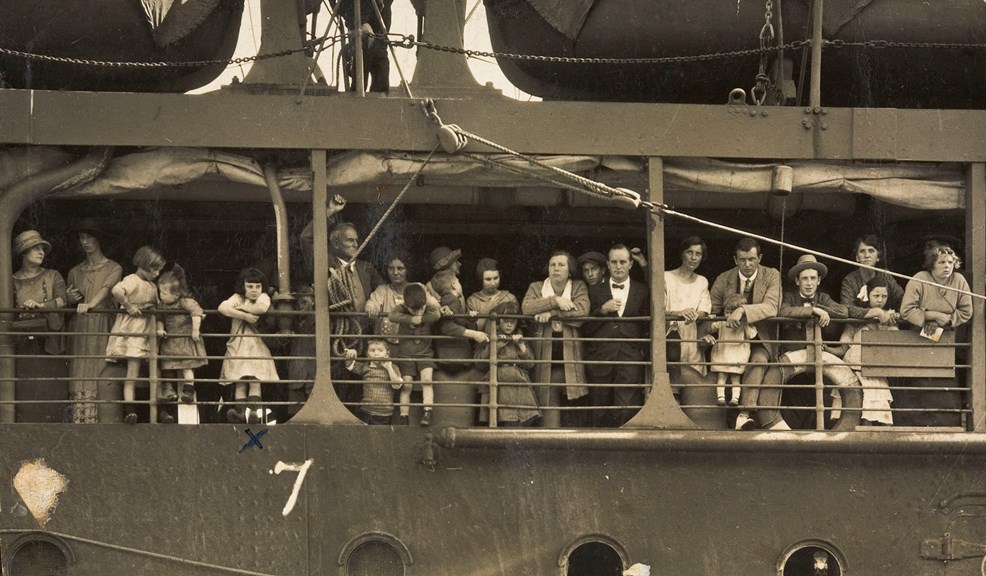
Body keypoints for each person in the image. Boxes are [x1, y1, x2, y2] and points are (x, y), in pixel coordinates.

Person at [764, 254, 880, 430]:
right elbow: (783, 310)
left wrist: (822, 309)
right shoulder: (789, 297)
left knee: (821, 401)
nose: (809, 283)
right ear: (797, 281)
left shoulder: (824, 297)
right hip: (791, 365)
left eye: (812, 278)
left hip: (821, 364)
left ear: (818, 280)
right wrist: (813, 310)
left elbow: (842, 311)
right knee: (794, 405)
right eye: (804, 279)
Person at [708, 237, 781, 430]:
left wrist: (742, 311)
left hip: (758, 339)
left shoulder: (772, 275)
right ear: (735, 260)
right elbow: (712, 311)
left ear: (760, 258)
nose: (747, 264)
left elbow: (772, 307)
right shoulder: (723, 279)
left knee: (759, 361)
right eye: (742, 260)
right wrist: (709, 332)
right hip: (728, 342)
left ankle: (744, 414)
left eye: (752, 259)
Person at [899, 241, 973, 426]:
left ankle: (948, 422)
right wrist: (931, 315)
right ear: (932, 264)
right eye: (941, 262)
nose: (947, 266)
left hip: (947, 336)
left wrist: (947, 320)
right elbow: (906, 310)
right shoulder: (919, 278)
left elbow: (966, 310)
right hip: (920, 335)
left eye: (950, 262)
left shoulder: (959, 281)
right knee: (921, 380)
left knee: (946, 380)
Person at [584, 244, 650, 427]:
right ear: (608, 264)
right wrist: (602, 311)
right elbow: (584, 327)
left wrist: (640, 351)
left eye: (622, 262)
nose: (618, 266)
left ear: (630, 264)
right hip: (600, 357)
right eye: (614, 262)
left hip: (630, 356)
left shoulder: (642, 290)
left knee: (626, 408)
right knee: (599, 408)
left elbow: (646, 325)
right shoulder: (594, 290)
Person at [522, 250, 590, 428]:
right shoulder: (536, 287)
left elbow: (582, 312)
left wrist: (551, 313)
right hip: (544, 358)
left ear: (570, 270)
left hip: (570, 358)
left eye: (561, 265)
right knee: (547, 400)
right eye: (552, 265)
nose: (556, 269)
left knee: (574, 403)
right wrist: (555, 301)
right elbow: (527, 308)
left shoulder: (578, 287)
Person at [64, 220, 122, 423]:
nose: (85, 242)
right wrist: (70, 299)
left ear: (99, 239)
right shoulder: (74, 271)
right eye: (82, 238)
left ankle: (100, 420)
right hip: (80, 326)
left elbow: (106, 289)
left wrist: (90, 304)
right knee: (79, 372)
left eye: (89, 237)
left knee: (100, 371)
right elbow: (70, 300)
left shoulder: (114, 267)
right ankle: (78, 421)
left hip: (101, 324)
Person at [11, 230, 69, 423]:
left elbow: (63, 301)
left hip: (51, 341)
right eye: (35, 248)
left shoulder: (53, 276)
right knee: (27, 392)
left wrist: (41, 306)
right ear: (23, 252)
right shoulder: (12, 280)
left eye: (42, 248)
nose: (41, 252)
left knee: (52, 391)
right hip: (25, 344)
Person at [104, 245, 165, 425]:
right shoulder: (133, 280)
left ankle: (159, 410)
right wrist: (129, 306)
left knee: (155, 373)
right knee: (133, 371)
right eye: (155, 269)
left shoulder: (152, 285)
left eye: (159, 269)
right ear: (144, 265)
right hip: (134, 332)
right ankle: (129, 410)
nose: (157, 273)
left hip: (148, 331)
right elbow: (116, 291)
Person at [218, 268, 280, 424]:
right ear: (243, 286)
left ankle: (254, 413)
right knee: (239, 381)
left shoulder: (263, 297)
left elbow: (261, 308)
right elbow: (222, 308)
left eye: (258, 287)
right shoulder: (237, 297)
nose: (254, 290)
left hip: (255, 346)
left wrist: (237, 309)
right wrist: (244, 315)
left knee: (254, 379)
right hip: (237, 346)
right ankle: (240, 414)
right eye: (250, 286)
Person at [840, 275, 898, 426]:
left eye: (884, 296)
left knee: (876, 407)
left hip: (875, 371)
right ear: (868, 295)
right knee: (857, 409)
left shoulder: (889, 318)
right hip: (854, 369)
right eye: (876, 295)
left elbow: (895, 345)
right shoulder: (857, 318)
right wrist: (828, 350)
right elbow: (844, 343)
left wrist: (891, 324)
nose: (880, 300)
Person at [473, 301, 541, 427]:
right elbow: (479, 363)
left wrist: (521, 345)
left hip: (518, 381)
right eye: (505, 321)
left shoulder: (519, 338)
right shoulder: (490, 336)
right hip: (498, 381)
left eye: (513, 322)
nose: (509, 325)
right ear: (499, 321)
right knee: (499, 418)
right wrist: (495, 345)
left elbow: (530, 363)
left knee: (521, 420)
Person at [155, 264, 207, 414]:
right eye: (160, 292)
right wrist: (160, 328)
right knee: (168, 366)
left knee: (187, 367)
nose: (161, 295)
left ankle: (188, 391)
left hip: (185, 339)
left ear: (177, 295)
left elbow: (196, 312)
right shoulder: (163, 305)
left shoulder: (185, 302)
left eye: (164, 293)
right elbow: (160, 318)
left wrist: (195, 330)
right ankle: (169, 390)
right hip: (170, 340)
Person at [388, 283, 440, 426]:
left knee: (427, 380)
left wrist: (422, 318)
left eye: (421, 308)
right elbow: (391, 315)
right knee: (407, 386)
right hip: (406, 355)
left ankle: (427, 412)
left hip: (425, 354)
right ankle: (404, 417)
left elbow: (436, 314)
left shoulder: (427, 308)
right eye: (414, 310)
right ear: (406, 304)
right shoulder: (402, 309)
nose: (418, 312)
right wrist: (410, 319)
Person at [664, 236, 712, 380]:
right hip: (670, 336)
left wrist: (695, 313)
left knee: (692, 384)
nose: (693, 258)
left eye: (698, 254)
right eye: (689, 252)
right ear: (681, 254)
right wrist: (679, 313)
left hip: (692, 340)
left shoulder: (702, 281)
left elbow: (705, 309)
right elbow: (658, 309)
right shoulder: (666, 277)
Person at [704, 293, 757, 407]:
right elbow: (711, 327)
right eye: (726, 312)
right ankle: (721, 398)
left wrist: (750, 323)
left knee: (735, 378)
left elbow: (751, 335)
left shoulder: (743, 324)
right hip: (725, 353)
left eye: (731, 312)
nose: (728, 315)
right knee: (722, 377)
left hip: (735, 355)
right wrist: (711, 318)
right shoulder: (722, 322)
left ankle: (734, 399)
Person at [432, 270, 489, 375]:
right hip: (454, 356)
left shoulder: (446, 300)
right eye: (458, 281)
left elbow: (455, 321)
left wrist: (469, 318)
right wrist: (474, 334)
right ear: (454, 285)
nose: (460, 284)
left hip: (447, 355)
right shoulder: (451, 299)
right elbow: (447, 327)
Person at [840, 234, 905, 313]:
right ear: (857, 257)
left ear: (878, 257)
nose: (867, 255)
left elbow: (901, 298)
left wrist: (897, 313)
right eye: (862, 251)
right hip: (857, 325)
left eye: (871, 251)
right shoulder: (850, 280)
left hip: (884, 323)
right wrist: (875, 312)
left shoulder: (885, 275)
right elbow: (847, 307)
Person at [344, 338, 403, 424]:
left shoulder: (393, 367)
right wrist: (350, 354)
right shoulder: (365, 367)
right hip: (367, 411)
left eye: (380, 350)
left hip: (385, 413)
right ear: (367, 354)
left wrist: (389, 368)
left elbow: (397, 385)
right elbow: (349, 365)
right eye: (372, 350)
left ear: (387, 353)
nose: (376, 353)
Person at [364, 253, 411, 342]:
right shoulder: (382, 290)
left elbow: (432, 304)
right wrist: (371, 309)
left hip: (410, 344)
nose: (395, 273)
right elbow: (371, 303)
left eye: (400, 268)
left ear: (407, 270)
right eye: (391, 268)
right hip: (386, 344)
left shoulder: (417, 288)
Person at [286, 285, 316, 418]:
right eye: (297, 304)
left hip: (314, 374)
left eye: (304, 302)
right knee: (295, 414)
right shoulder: (291, 322)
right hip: (296, 373)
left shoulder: (320, 320)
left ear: (313, 301)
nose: (300, 307)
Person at [466, 258, 519, 332]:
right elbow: (475, 329)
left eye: (496, 278)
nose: (493, 283)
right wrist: (489, 307)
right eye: (488, 279)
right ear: (481, 279)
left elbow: (518, 327)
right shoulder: (473, 300)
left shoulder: (509, 298)